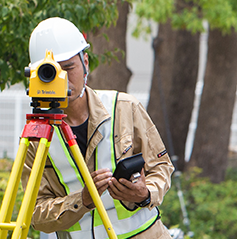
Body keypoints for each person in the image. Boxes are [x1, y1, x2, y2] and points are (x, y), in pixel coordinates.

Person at [21, 17, 175, 238]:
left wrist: (145, 193)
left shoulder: (124, 107)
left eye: (68, 67)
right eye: (52, 72)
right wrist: (81, 200)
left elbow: (161, 166)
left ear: (86, 62)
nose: (63, 78)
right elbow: (35, 214)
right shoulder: (36, 137)